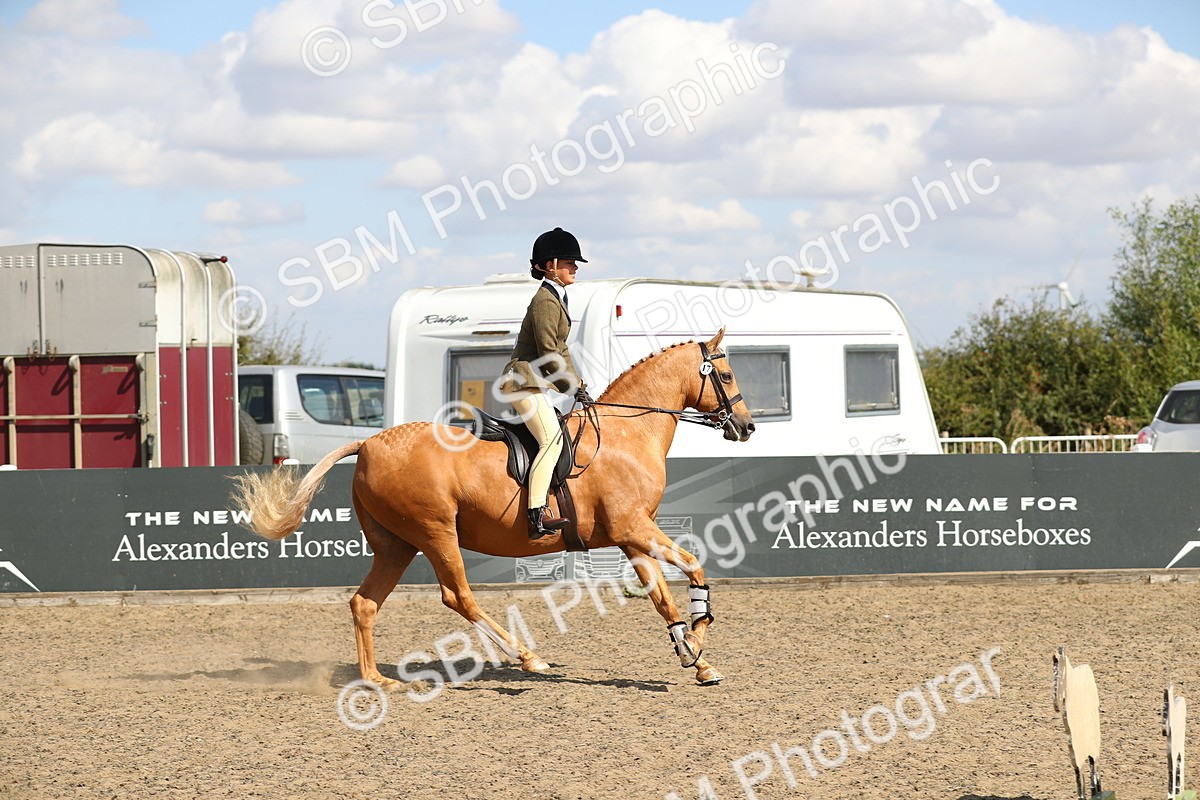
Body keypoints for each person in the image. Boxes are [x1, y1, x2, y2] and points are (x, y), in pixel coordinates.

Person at [498, 227, 594, 539]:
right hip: (522, 381)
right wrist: (570, 386)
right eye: (569, 262)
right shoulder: (544, 301)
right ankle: (536, 514)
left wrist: (578, 384)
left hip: (534, 383)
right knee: (551, 439)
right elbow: (548, 352)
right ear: (550, 265)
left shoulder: (557, 298)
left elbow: (562, 350)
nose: (575, 267)